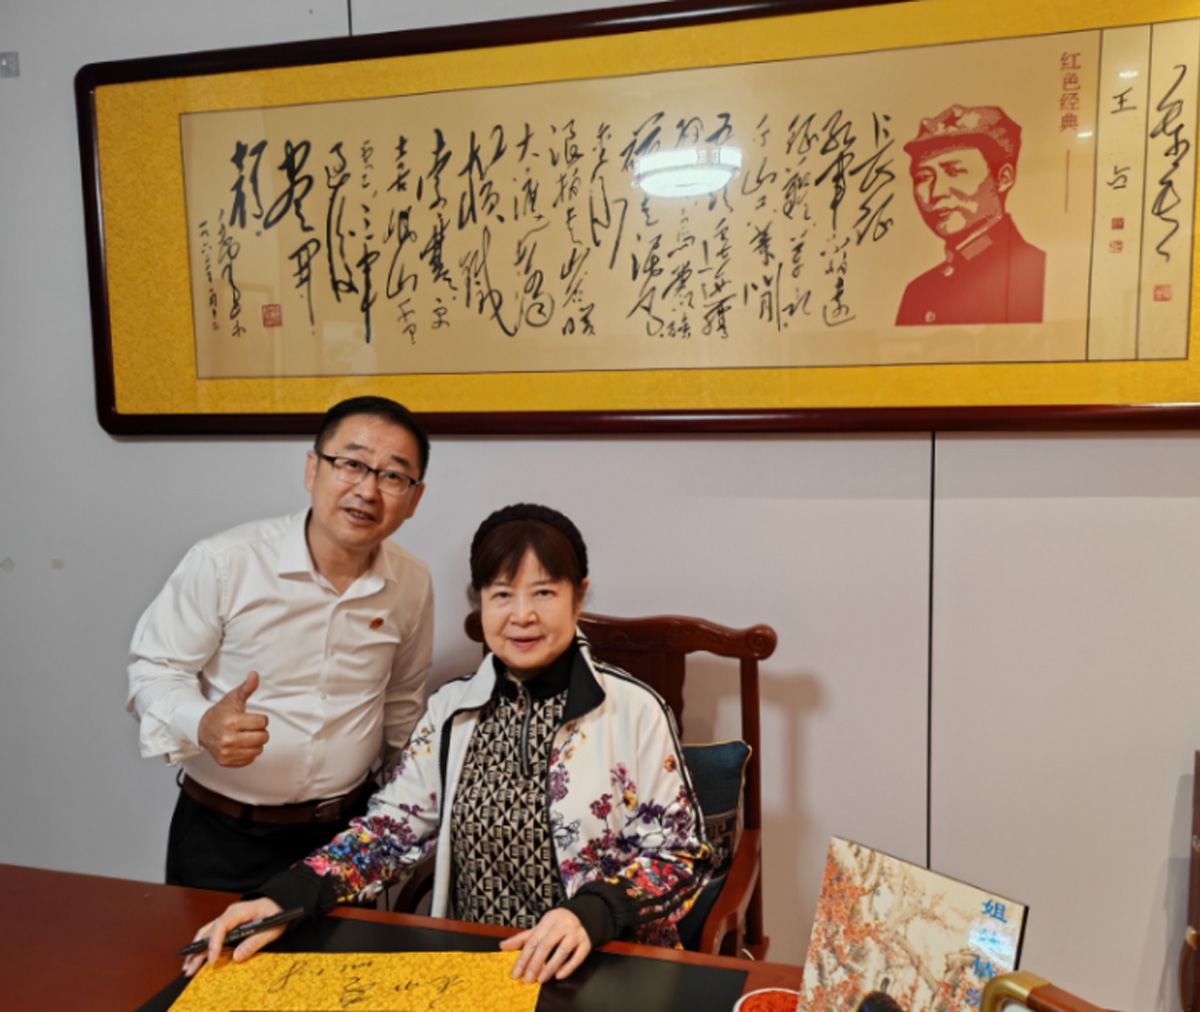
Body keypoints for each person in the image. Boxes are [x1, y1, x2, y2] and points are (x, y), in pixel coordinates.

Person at [183, 503, 711, 985]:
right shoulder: (452, 709)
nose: (521, 615)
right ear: (479, 603)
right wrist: (284, 895)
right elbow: (388, 834)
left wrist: (590, 914)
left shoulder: (635, 710)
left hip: (607, 968)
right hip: (480, 973)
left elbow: (682, 857)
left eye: (544, 593)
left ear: (579, 596)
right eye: (501, 594)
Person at [127, 395, 434, 893]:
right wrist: (202, 723)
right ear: (312, 469)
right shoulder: (226, 562)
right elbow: (154, 671)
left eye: (393, 476)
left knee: (345, 951)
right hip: (223, 837)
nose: (367, 490)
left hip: (343, 838)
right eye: (351, 464)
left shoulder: (412, 584)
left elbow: (401, 705)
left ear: (414, 499)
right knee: (209, 948)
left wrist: (406, 816)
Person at [895, 104, 1046, 326]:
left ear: (1003, 179)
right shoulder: (919, 291)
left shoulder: (1039, 274)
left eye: (955, 172)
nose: (936, 193)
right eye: (923, 177)